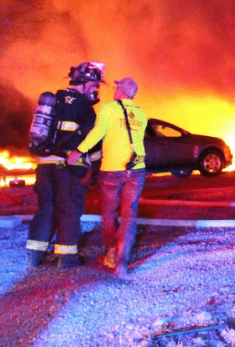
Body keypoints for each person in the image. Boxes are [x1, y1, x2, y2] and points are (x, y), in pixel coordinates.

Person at [26, 62, 104, 269]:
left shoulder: (55, 100)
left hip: (44, 165)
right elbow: (93, 140)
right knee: (69, 209)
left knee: (46, 209)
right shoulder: (84, 107)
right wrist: (96, 166)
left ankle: (34, 256)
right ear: (85, 83)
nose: (96, 89)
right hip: (68, 168)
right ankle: (67, 257)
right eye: (94, 84)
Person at [68, 76, 146, 277]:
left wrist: (79, 151)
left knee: (110, 212)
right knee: (130, 214)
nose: (114, 89)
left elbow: (97, 133)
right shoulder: (141, 114)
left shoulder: (108, 109)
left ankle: (111, 250)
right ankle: (122, 262)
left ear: (120, 90)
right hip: (136, 169)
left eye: (116, 87)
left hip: (112, 169)